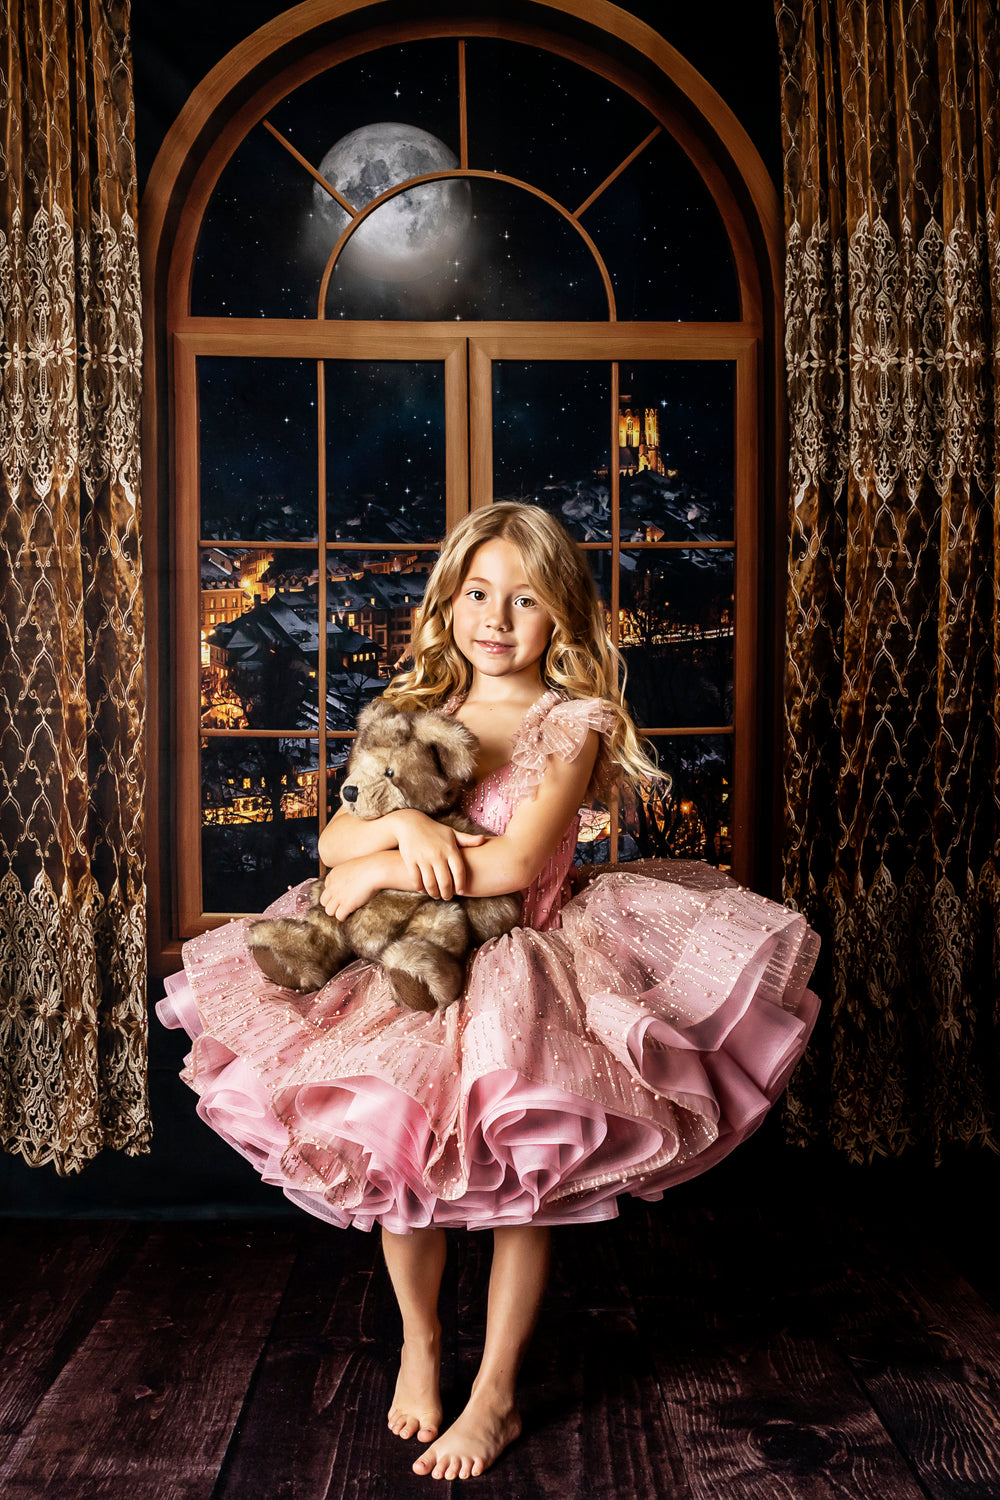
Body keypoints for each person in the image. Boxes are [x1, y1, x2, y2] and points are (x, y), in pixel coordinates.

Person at [158, 502, 820, 1481]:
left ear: (560, 618)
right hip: (410, 965)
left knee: (521, 1186)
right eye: (477, 594)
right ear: (449, 603)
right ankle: (420, 1348)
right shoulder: (420, 708)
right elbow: (335, 840)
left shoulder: (572, 723)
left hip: (529, 957)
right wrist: (405, 837)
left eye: (524, 599)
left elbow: (510, 863)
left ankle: (496, 1392)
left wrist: (379, 871)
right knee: (398, 1163)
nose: (496, 618)